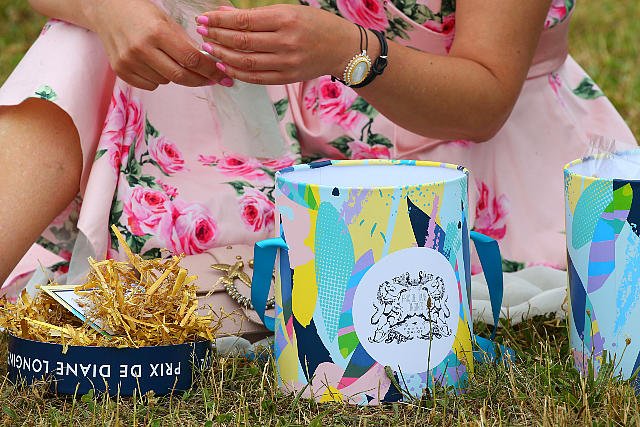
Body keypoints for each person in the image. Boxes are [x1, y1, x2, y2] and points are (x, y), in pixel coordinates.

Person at [0, 0, 636, 336]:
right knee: (85, 36)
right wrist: (112, 11)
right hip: (305, 121)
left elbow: (484, 102)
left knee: (259, 278)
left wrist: (345, 48)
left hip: (462, 159)